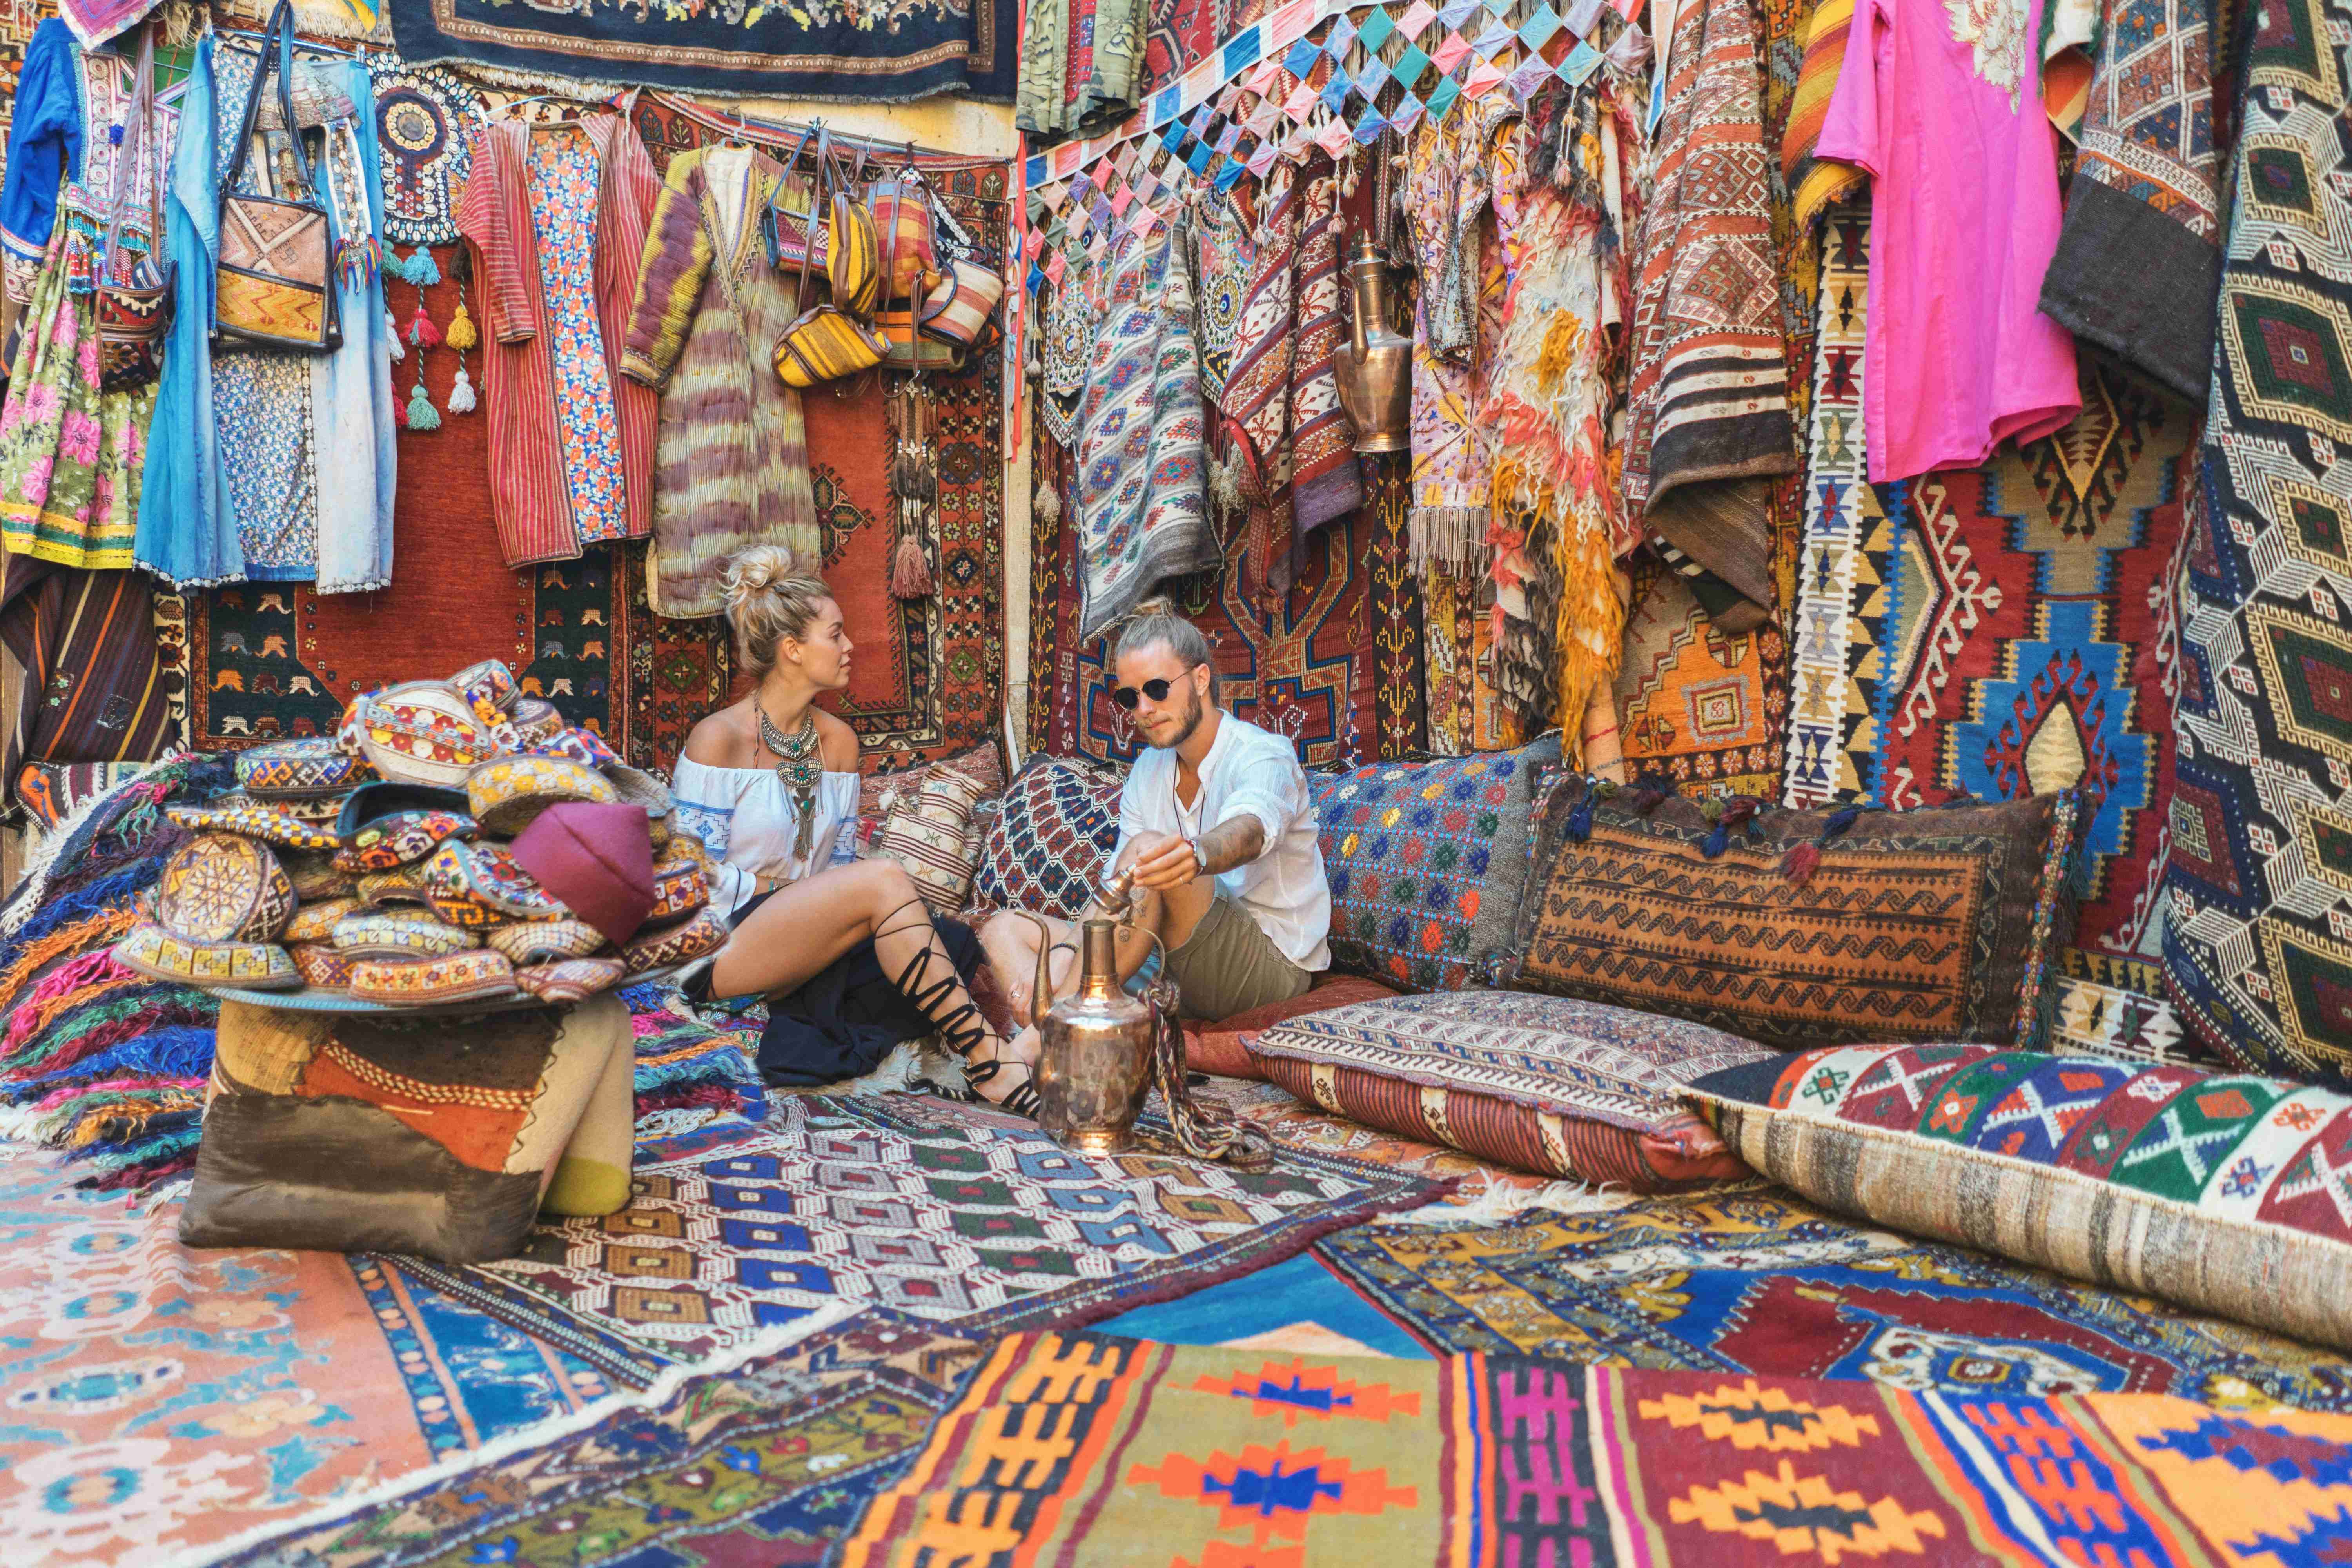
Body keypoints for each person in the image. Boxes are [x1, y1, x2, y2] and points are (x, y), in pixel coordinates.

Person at [673, 546, 1039, 1112]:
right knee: (884, 881)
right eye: (836, 635)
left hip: (807, 946)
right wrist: (788, 894)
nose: (851, 648)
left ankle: (994, 1046)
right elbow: (691, 883)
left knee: (952, 942)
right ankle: (990, 1058)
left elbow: (837, 871)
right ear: (793, 650)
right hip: (722, 945)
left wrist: (824, 906)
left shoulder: (838, 743)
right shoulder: (718, 740)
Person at [981, 599, 1330, 1026]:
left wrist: (1196, 854)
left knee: (1155, 854)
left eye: (1158, 689)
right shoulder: (1148, 769)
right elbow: (1118, 887)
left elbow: (1252, 829)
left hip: (1267, 964)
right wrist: (1066, 953)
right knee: (1003, 930)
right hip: (1171, 954)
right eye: (1131, 697)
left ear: (1201, 679)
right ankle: (1064, 1018)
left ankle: (1043, 1041)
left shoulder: (1262, 753)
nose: (1143, 709)